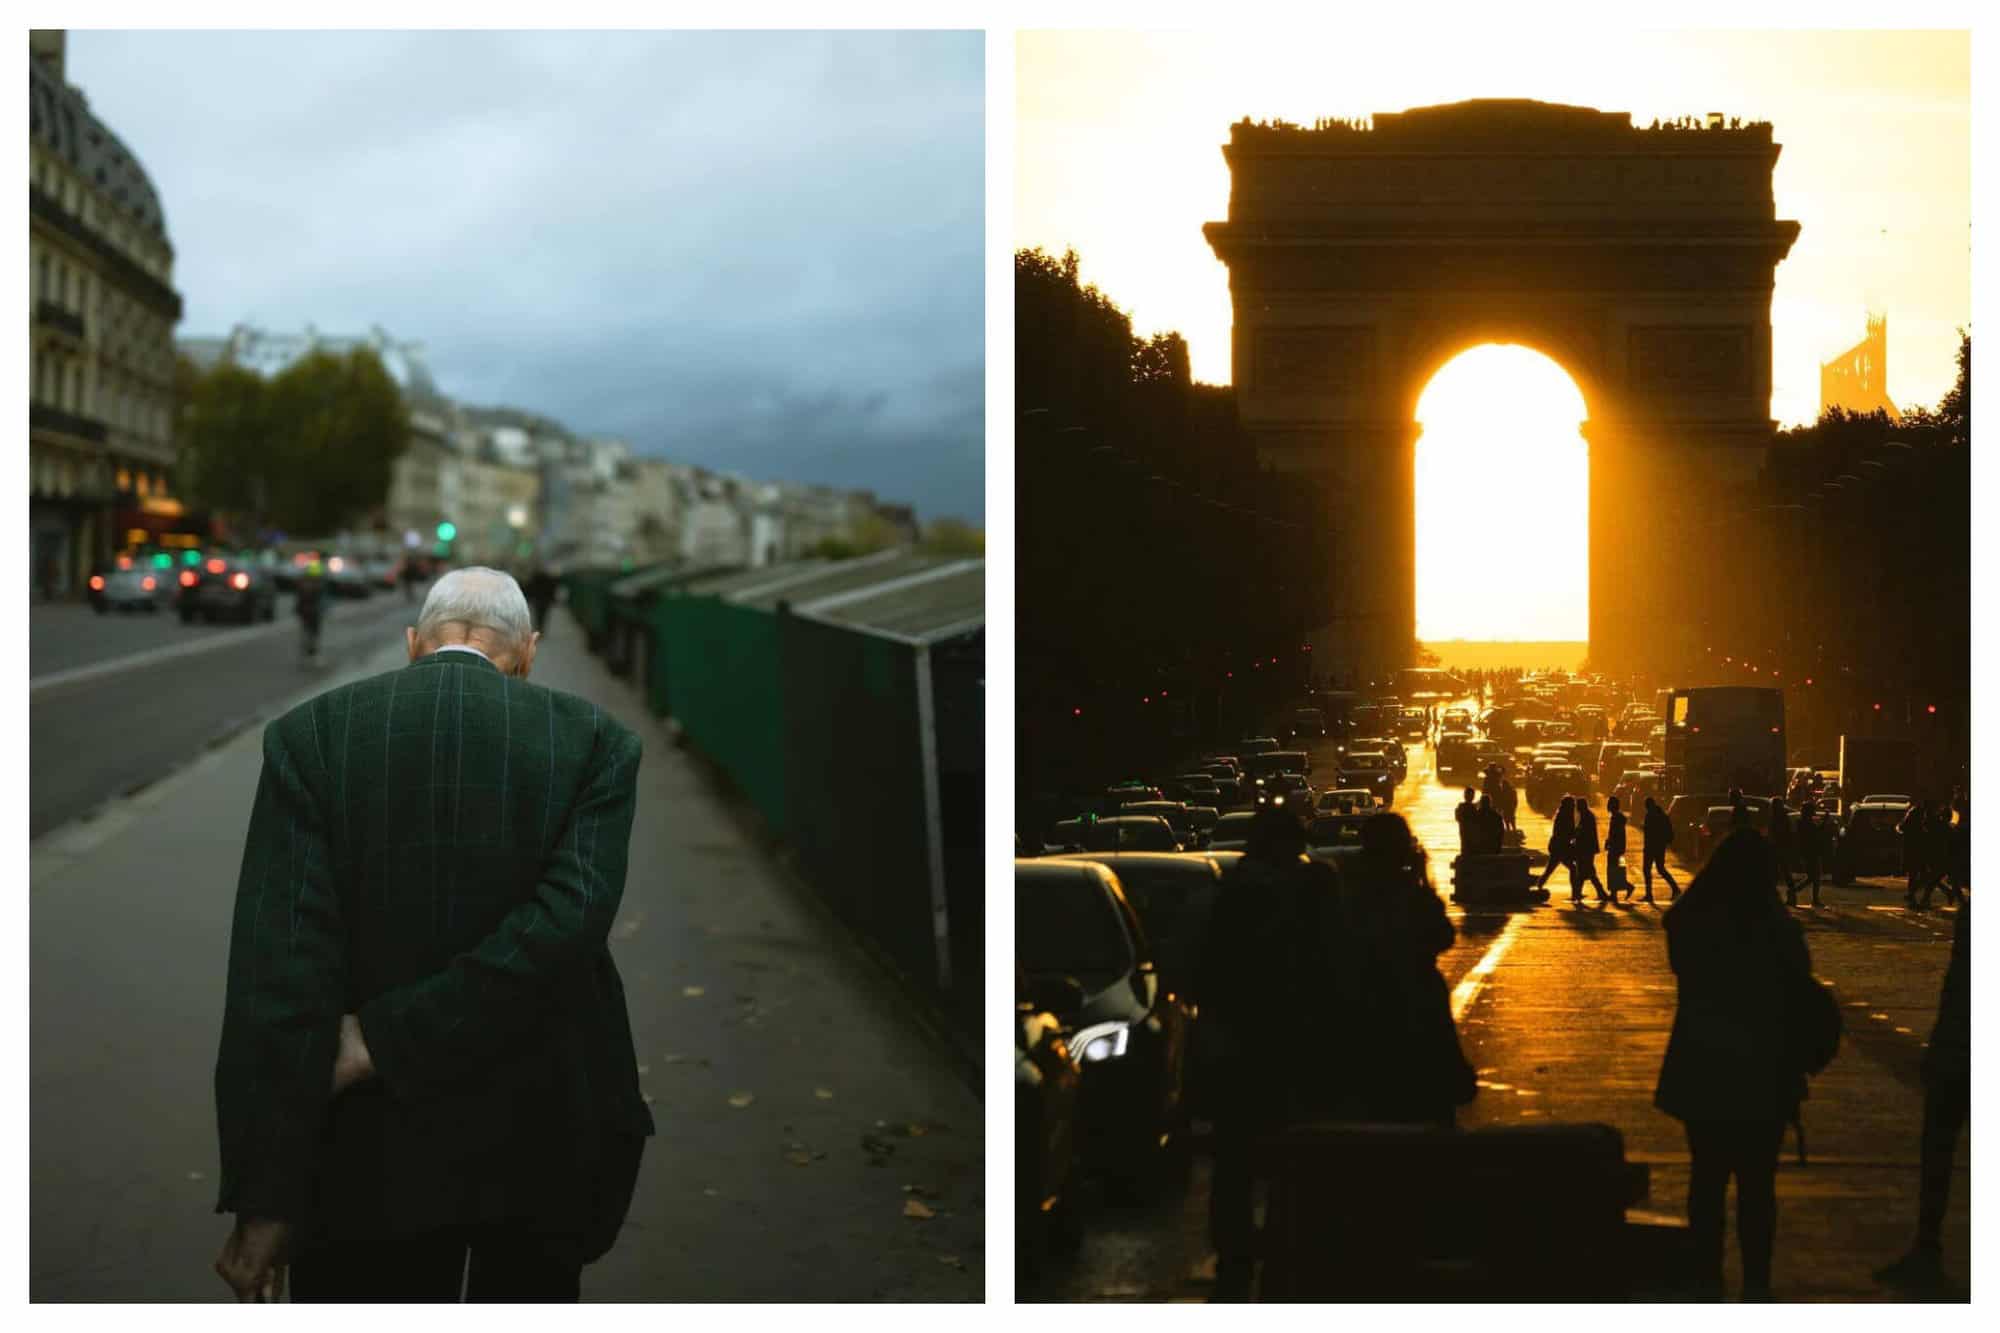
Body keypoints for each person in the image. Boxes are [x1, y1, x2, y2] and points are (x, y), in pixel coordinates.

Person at [211, 568, 652, 1303]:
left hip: (368, 1155)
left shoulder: (308, 737)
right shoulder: (598, 744)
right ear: (529, 653)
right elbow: (564, 926)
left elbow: (278, 972)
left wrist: (267, 1193)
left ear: (414, 644)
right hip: (541, 1134)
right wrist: (384, 1037)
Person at [1654, 829, 1814, 1301]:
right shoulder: (1775, 928)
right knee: (1757, 1187)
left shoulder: (1699, 924)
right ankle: (1757, 1283)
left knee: (1706, 1181)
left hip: (1705, 1069)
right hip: (1763, 1075)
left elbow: (1675, 927)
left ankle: (1705, 1277)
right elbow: (1799, 991)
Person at [1200, 806, 1342, 1302]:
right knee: (1296, 1153)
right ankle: (1289, 1244)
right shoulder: (1304, 892)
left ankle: (1237, 1252)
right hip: (1292, 1042)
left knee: (1238, 1158)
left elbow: (1209, 971)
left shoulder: (1231, 892)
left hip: (1245, 1044)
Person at [1322, 813, 1472, 1126]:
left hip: (1359, 1009)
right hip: (1401, 1008)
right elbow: (1441, 934)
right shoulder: (1405, 894)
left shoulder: (1347, 891)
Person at [1874, 901, 1969, 1295]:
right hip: (1957, 1044)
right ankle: (1926, 1246)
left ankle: (1927, 1245)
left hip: (1958, 1047)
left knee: (1938, 1153)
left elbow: (1958, 988)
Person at [1572, 793, 1609, 905]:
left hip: (1585, 849)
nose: (1576, 808)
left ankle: (1580, 893)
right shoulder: (1586, 815)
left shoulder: (1586, 816)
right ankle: (1599, 892)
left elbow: (1583, 833)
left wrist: (1575, 835)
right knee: (1586, 872)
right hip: (1587, 848)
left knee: (1585, 872)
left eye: (1577, 806)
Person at [1535, 796, 1576, 896]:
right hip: (1560, 847)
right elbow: (1566, 832)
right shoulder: (1565, 816)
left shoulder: (1562, 814)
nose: (1574, 806)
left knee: (1550, 869)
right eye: (1572, 804)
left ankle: (1539, 884)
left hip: (1557, 846)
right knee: (1573, 868)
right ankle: (1575, 892)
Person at [1641, 796, 1678, 904]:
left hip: (1651, 847)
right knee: (1660, 869)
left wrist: (1644, 828)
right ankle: (1675, 888)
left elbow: (1649, 832)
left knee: (1647, 870)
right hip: (1660, 846)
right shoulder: (1662, 814)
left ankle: (1649, 894)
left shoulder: (1650, 815)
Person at [294, 561, 327, 661]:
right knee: (312, 632)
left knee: (308, 631)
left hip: (306, 611)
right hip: (311, 611)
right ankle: (311, 651)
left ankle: (309, 651)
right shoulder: (317, 584)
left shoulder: (304, 582)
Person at [1794, 801, 1824, 908]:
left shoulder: (1803, 823)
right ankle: (1795, 891)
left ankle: (1795, 892)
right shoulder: (1806, 824)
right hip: (1811, 853)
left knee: (1813, 877)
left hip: (1809, 852)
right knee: (1814, 877)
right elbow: (1815, 835)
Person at [1768, 796, 1797, 904]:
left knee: (1779, 873)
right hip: (1780, 848)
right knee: (1783, 873)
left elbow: (1778, 834)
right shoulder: (1782, 817)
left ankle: (1785, 898)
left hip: (1779, 848)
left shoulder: (1777, 818)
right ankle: (1790, 897)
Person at [1900, 804, 1928, 909]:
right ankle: (1912, 894)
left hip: (1911, 853)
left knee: (1913, 875)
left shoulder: (1908, 827)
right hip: (1918, 853)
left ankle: (1912, 895)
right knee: (1922, 875)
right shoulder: (1919, 828)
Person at [1605, 795, 1630, 900]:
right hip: (1617, 846)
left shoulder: (1617, 817)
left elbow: (1615, 833)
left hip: (1615, 846)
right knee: (1614, 868)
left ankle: (1615, 893)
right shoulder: (1617, 817)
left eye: (1609, 803)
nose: (1608, 805)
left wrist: (1609, 842)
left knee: (1612, 869)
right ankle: (1622, 889)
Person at [1454, 787, 1478, 855]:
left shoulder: (1461, 807)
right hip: (1469, 833)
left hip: (1465, 832)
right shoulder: (1473, 808)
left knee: (1464, 846)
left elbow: (1457, 818)